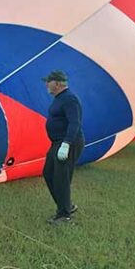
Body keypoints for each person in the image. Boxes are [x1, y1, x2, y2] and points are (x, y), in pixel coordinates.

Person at [41, 70, 85, 225]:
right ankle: (66, 205)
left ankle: (64, 215)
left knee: (61, 178)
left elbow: (75, 123)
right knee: (48, 173)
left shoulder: (70, 99)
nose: (46, 84)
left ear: (57, 83)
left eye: (48, 81)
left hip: (68, 142)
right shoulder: (59, 98)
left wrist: (66, 144)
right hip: (57, 143)